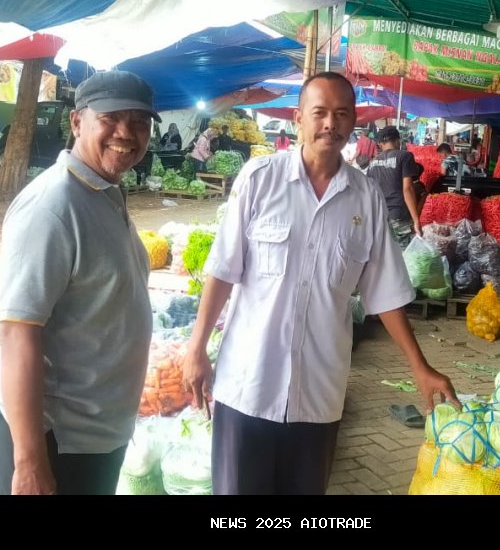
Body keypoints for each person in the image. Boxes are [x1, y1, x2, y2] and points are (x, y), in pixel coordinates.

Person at [181, 72, 458, 495]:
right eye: (320, 113)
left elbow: (383, 292)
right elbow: (222, 270)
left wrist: (419, 367)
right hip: (247, 385)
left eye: (342, 114)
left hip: (319, 394)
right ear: (298, 119)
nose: (331, 123)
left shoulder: (364, 198)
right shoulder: (259, 180)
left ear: (353, 124)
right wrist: (197, 348)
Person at [0, 70, 160, 495]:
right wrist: (28, 462)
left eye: (139, 122)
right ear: (78, 122)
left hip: (94, 432)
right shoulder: (53, 206)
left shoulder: (102, 191)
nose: (126, 133)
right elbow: (17, 332)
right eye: (111, 118)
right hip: (54, 438)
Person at [365, 125, 423, 247]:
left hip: (379, 217)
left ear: (380, 144)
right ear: (398, 140)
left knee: (385, 257)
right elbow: (408, 189)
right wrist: (416, 220)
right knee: (403, 258)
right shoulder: (405, 156)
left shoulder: (372, 163)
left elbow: (370, 193)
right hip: (399, 216)